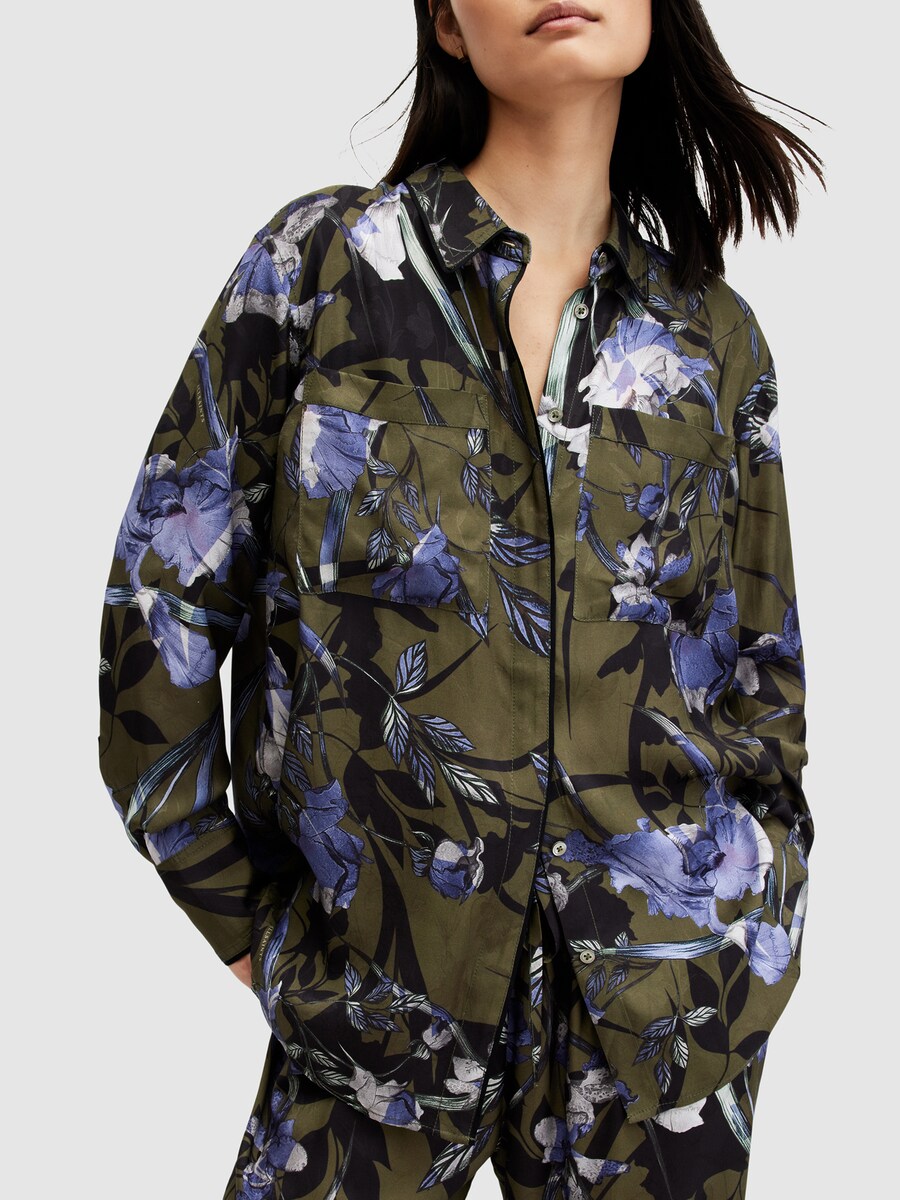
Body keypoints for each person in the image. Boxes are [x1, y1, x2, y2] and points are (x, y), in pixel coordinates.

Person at [97, 1, 824, 1196]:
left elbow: (763, 677)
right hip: (371, 1013)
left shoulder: (712, 339)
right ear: (445, 21)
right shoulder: (323, 270)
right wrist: (253, 932)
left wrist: (760, 923)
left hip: (663, 1022)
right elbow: (157, 615)